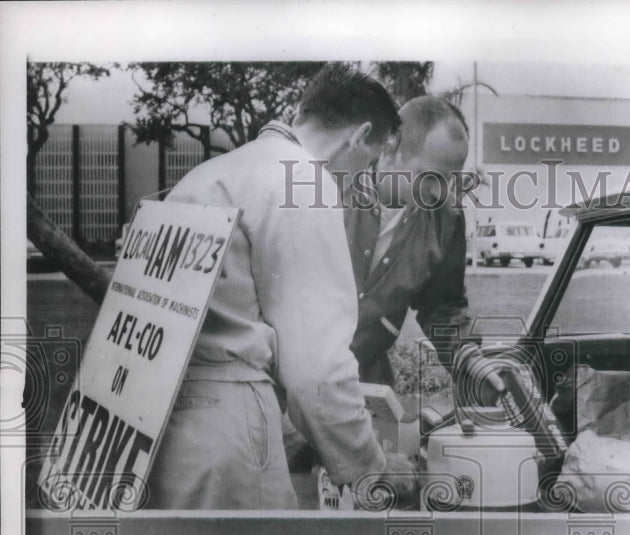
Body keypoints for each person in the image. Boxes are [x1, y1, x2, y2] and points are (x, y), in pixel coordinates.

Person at [146, 62, 406, 510]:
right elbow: (317, 373)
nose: (358, 181)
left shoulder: (211, 174)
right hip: (232, 435)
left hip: (161, 422)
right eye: (368, 163)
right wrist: (373, 471)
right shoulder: (304, 182)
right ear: (360, 136)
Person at [344, 95, 477, 387]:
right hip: (287, 384)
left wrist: (469, 359)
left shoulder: (448, 218)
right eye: (430, 177)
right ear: (390, 150)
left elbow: (443, 305)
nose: (441, 193)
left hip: (367, 386)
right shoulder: (329, 191)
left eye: (451, 180)